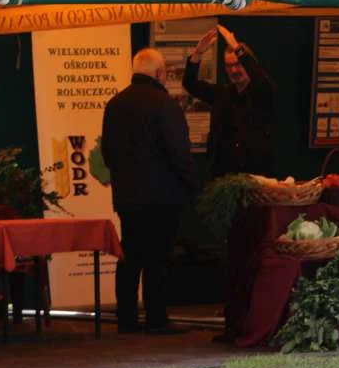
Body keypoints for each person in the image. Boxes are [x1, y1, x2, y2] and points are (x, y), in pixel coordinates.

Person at [102, 48, 199, 334]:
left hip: (128, 196)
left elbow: (107, 152)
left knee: (130, 255)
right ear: (160, 74)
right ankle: (156, 318)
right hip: (162, 196)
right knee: (157, 258)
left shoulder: (115, 104)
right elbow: (178, 153)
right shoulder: (165, 105)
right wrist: (193, 187)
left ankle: (127, 318)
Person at [182, 25, 276, 178]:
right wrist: (197, 54)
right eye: (229, 66)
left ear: (247, 63)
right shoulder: (222, 93)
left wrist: (238, 48)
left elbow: (262, 81)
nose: (233, 70)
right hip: (223, 177)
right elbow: (189, 83)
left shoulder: (262, 92)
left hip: (256, 177)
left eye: (238, 64)